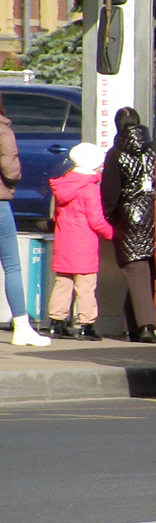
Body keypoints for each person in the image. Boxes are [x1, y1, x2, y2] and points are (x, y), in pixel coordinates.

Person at [47, 143, 115, 341]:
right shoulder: (89, 188)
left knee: (63, 282)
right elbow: (96, 220)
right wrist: (111, 233)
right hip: (84, 243)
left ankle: (56, 322)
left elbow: (56, 215)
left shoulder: (63, 184)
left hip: (64, 240)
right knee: (85, 286)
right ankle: (86, 324)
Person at [102, 108, 156, 343]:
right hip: (155, 214)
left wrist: (110, 216)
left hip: (129, 218)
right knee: (148, 271)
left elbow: (110, 192)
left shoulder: (115, 153)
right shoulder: (155, 151)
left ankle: (146, 326)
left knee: (136, 271)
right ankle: (131, 325)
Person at [0, 89, 50, 346]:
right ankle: (21, 327)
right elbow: (10, 168)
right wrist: (14, 177)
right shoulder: (2, 129)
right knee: (12, 266)